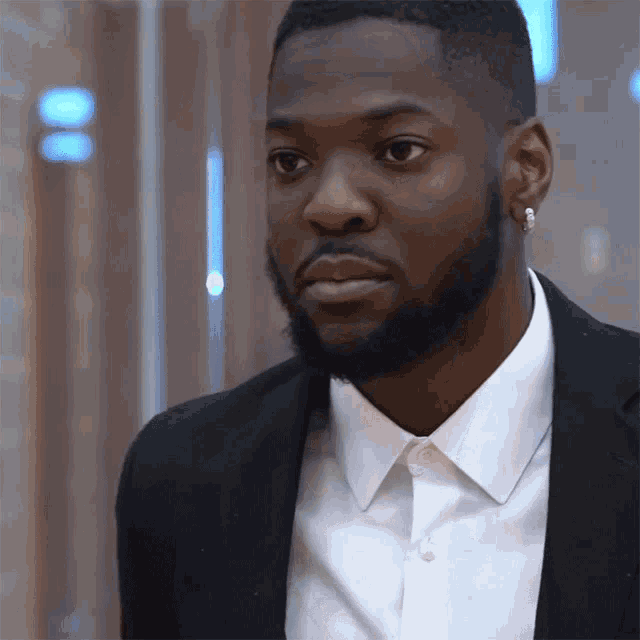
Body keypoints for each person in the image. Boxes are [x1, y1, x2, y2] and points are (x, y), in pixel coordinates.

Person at [116, 2, 639, 638]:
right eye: (289, 161)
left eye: (398, 150)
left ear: (524, 170)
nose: (329, 205)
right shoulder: (182, 483)